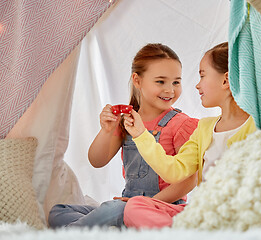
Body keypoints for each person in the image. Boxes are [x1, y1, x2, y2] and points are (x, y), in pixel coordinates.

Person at [47, 43, 199, 229]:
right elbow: (96, 160)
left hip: (162, 207)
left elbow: (190, 179)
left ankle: (78, 231)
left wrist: (144, 205)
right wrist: (107, 130)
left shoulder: (182, 124)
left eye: (176, 82)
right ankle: (106, 226)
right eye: (160, 81)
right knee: (58, 211)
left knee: (113, 210)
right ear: (137, 80)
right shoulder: (128, 121)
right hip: (126, 204)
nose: (170, 90)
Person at [122, 42, 257, 229]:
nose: (197, 85)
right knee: (136, 206)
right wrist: (141, 135)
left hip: (237, 217)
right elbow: (174, 170)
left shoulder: (257, 127)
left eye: (202, 75)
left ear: (225, 81)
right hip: (203, 215)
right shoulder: (204, 128)